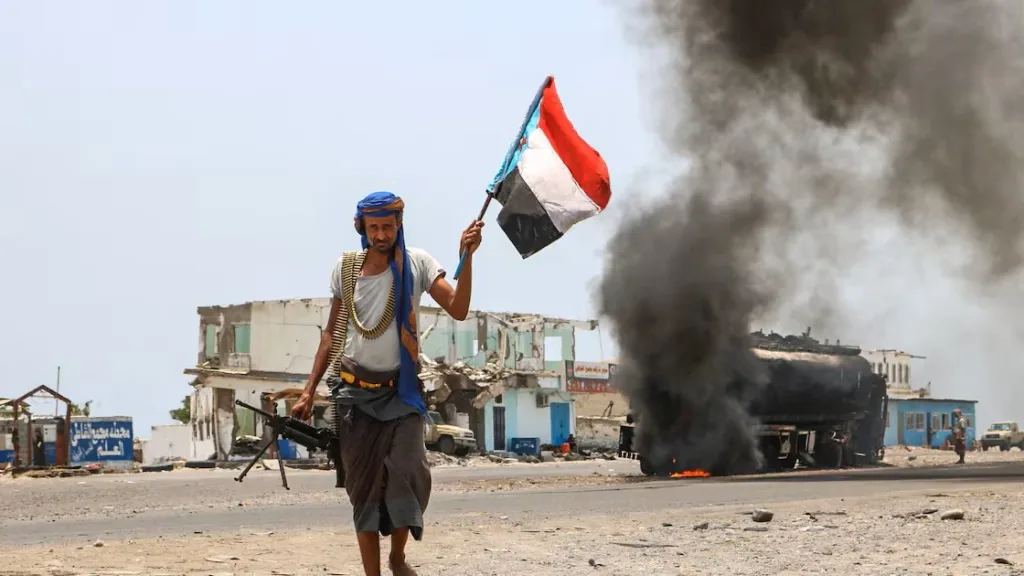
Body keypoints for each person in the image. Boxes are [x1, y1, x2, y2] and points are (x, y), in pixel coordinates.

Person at [291, 191, 482, 576]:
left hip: (402, 393)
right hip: (354, 397)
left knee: (408, 476)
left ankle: (397, 558)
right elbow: (331, 335)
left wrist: (469, 256)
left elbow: (459, 309)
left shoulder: (418, 264)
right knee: (363, 490)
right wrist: (309, 390)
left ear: (399, 225)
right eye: (374, 227)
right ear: (362, 227)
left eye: (388, 226)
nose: (381, 234)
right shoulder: (345, 271)